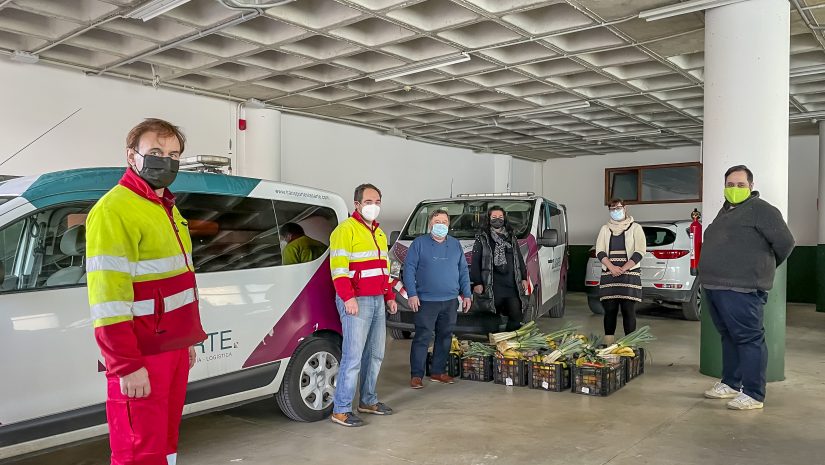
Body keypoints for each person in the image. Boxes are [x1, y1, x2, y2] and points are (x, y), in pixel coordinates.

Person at [86, 119, 207, 465]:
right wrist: (125, 365)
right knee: (139, 451)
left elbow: (179, 281)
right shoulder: (114, 210)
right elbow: (108, 300)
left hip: (171, 348)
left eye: (173, 154)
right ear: (131, 156)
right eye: (155, 152)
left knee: (165, 445)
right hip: (141, 355)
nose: (165, 161)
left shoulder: (166, 207)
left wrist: (185, 341)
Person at [699, 165, 794, 410]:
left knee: (749, 339)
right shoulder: (725, 211)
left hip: (742, 288)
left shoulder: (762, 210)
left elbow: (785, 242)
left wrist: (760, 268)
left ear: (751, 186)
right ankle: (731, 383)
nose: (734, 189)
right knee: (729, 336)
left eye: (740, 185)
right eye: (730, 185)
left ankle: (753, 394)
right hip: (714, 285)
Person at [328, 183, 398, 427]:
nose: (374, 206)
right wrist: (348, 298)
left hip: (377, 299)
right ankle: (341, 409)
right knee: (353, 357)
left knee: (376, 354)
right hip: (356, 301)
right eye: (369, 202)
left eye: (377, 202)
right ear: (357, 204)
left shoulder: (378, 232)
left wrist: (389, 297)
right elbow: (338, 269)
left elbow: (384, 270)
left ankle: (368, 400)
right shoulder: (345, 230)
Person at [403, 210, 473, 389]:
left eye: (444, 221)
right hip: (426, 300)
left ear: (449, 225)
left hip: (450, 300)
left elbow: (463, 271)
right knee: (422, 337)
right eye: (437, 221)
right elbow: (409, 269)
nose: (441, 224)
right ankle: (416, 375)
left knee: (445, 337)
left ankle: (438, 372)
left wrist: (467, 294)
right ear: (430, 225)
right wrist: (412, 294)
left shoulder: (456, 245)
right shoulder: (419, 244)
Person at [594, 199, 645, 345]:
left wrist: (624, 268)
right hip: (609, 275)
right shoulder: (605, 229)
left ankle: (629, 345)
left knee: (628, 310)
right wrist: (611, 267)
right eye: (612, 208)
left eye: (618, 207)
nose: (616, 210)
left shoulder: (636, 228)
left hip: (629, 275)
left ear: (625, 208)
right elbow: (600, 251)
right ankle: (609, 344)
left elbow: (640, 251)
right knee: (610, 310)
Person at [470, 206, 529, 331]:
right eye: (494, 217)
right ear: (489, 219)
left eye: (500, 217)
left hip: (511, 284)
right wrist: (477, 282)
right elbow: (475, 262)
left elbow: (518, 258)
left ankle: (508, 341)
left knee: (516, 314)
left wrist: (524, 277)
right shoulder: (482, 238)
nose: (498, 220)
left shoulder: (511, 237)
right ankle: (494, 343)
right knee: (491, 317)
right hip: (491, 285)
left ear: (505, 219)